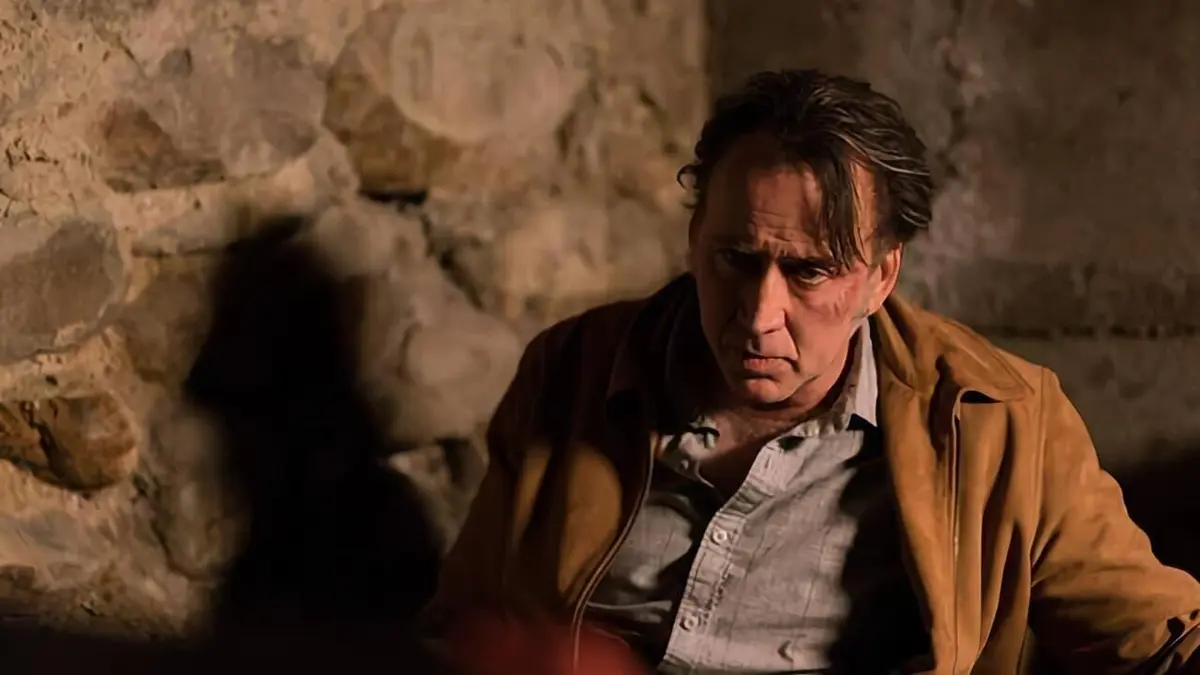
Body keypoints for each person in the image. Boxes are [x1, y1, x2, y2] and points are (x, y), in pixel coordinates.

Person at [421, 69, 1200, 674]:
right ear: (694, 237)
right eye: (735, 259)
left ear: (881, 276)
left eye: (809, 271)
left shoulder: (997, 418)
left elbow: (1158, 640)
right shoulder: (573, 371)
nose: (759, 314)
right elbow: (460, 626)